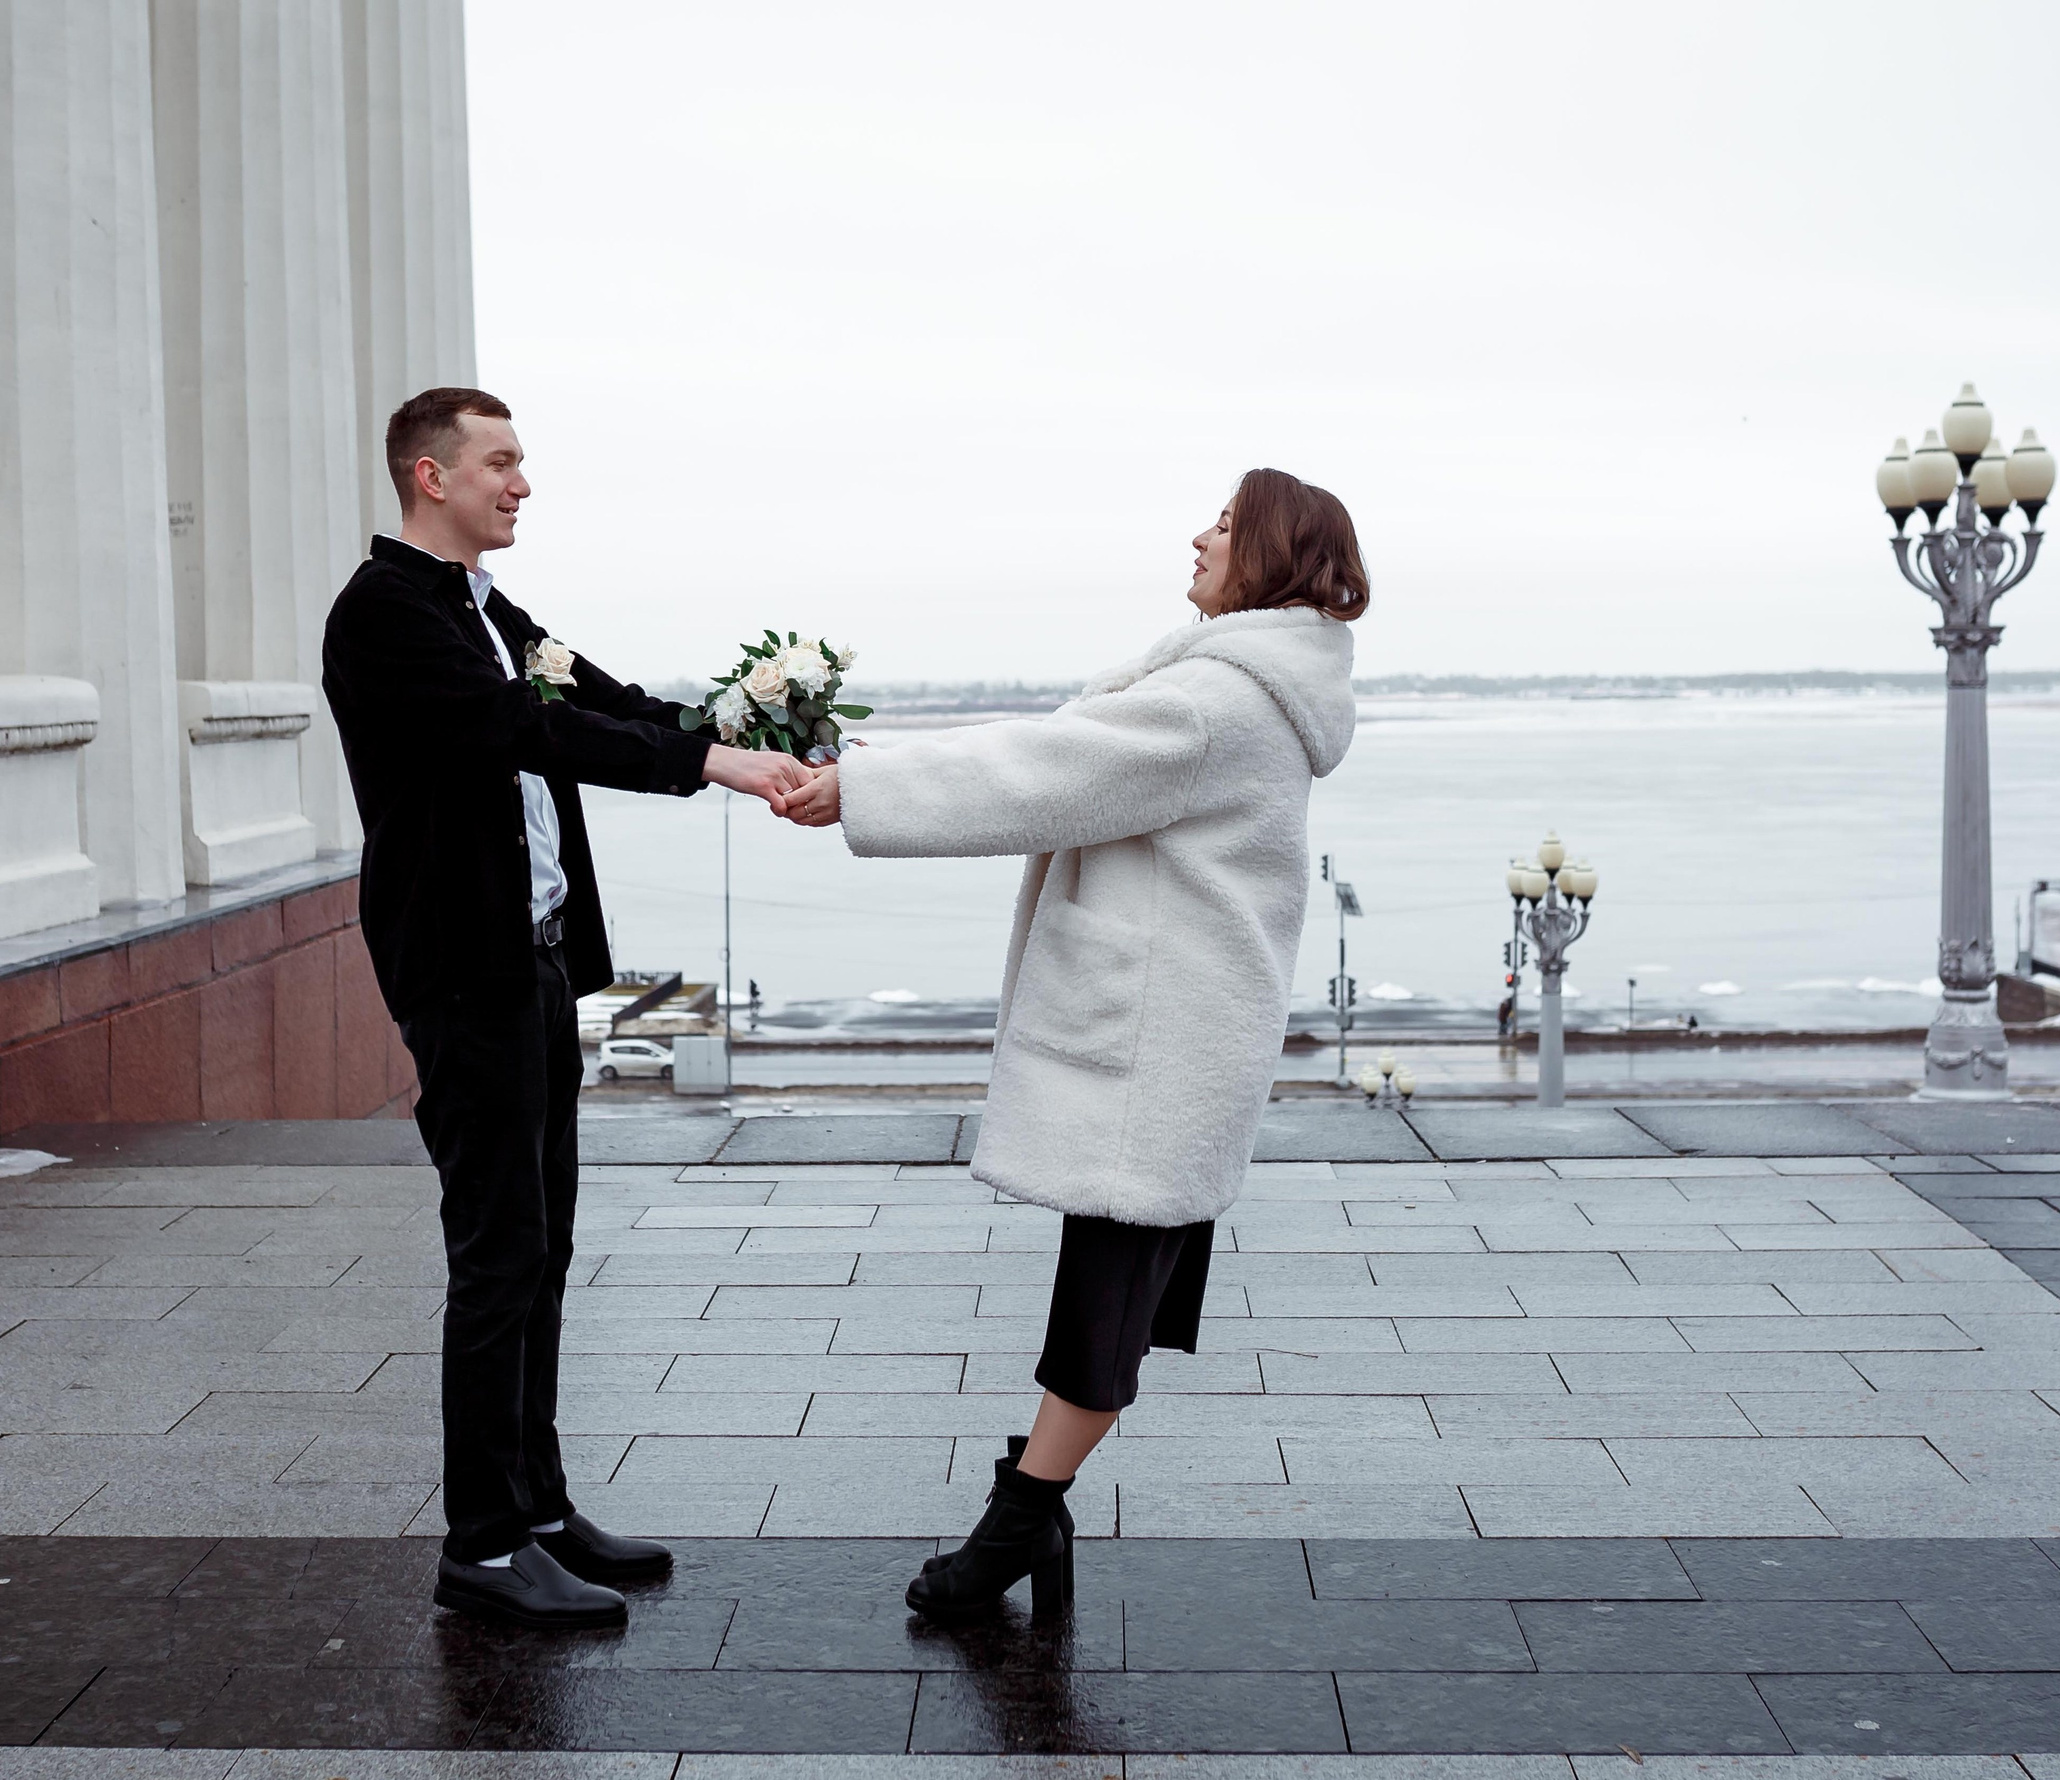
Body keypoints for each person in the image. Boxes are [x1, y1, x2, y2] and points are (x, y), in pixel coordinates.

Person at [780, 467, 1365, 1618]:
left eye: (1225, 524)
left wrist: (858, 791)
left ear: (1272, 556)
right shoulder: (1243, 687)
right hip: (1174, 1041)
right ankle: (1026, 1519)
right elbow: (1057, 760)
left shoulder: (1215, 702)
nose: (1197, 536)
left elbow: (1038, 773)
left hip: (1156, 1051)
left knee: (1102, 1321)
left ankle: (1011, 1528)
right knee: (1109, 1308)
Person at [321, 388, 807, 1630]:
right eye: (501, 462)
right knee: (497, 1250)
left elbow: (605, 699)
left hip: (531, 960)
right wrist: (709, 764)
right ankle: (481, 1544)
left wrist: (741, 729)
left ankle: (536, 1506)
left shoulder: (495, 612)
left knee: (543, 1241)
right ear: (431, 477)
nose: (522, 482)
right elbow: (523, 727)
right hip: (462, 967)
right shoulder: (382, 615)